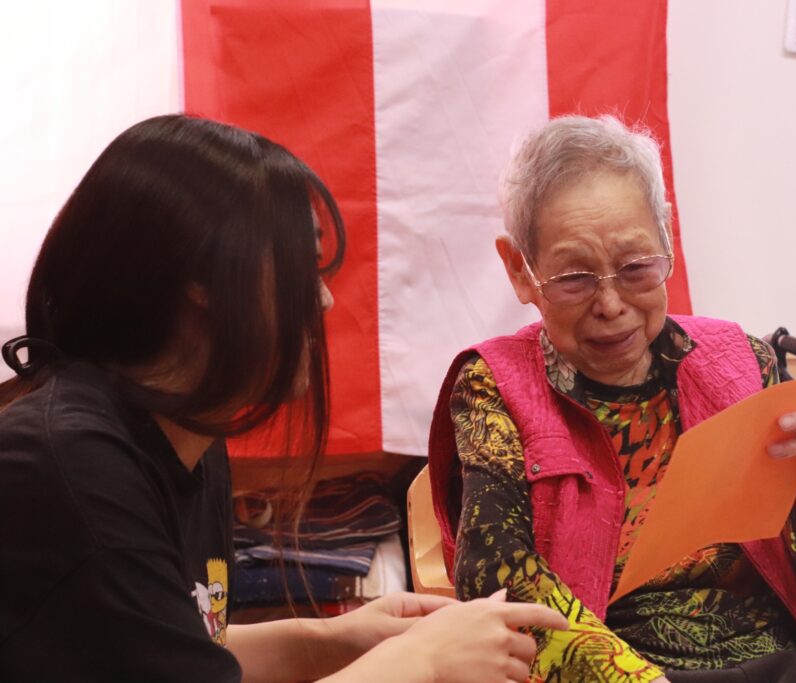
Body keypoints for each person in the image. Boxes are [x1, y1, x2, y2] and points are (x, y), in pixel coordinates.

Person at [0, 114, 566, 682]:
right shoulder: (68, 465)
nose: (322, 299)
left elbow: (174, 648)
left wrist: (331, 641)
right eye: (303, 268)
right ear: (201, 284)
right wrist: (424, 660)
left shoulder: (185, 436)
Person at [428, 115, 796, 683]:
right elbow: (496, 579)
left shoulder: (741, 362)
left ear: (667, 241)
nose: (611, 305)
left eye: (636, 268)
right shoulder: (495, 386)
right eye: (574, 278)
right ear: (521, 270)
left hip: (771, 661)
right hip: (609, 669)